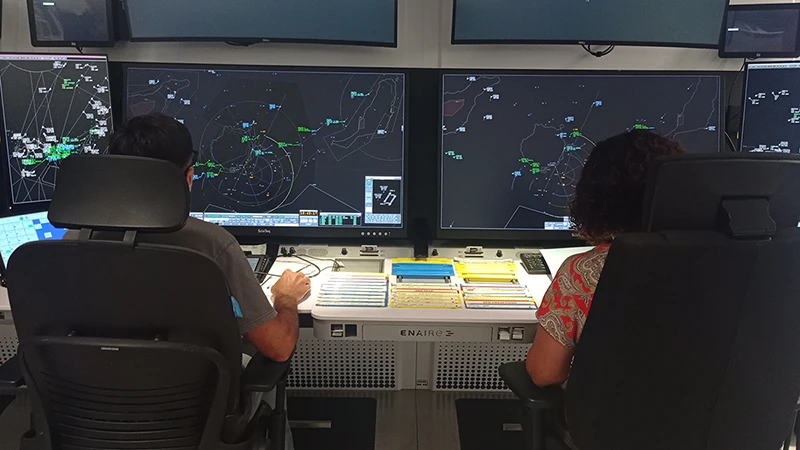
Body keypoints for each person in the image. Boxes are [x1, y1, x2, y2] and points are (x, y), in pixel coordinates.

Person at [66, 113, 306, 447]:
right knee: (264, 382)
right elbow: (278, 347)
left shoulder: (71, 242)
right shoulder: (210, 244)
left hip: (87, 412)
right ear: (188, 176)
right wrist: (286, 299)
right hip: (196, 416)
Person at [526, 130, 686, 387]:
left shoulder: (582, 272)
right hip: (719, 421)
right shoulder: (732, 268)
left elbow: (545, 374)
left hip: (612, 423)